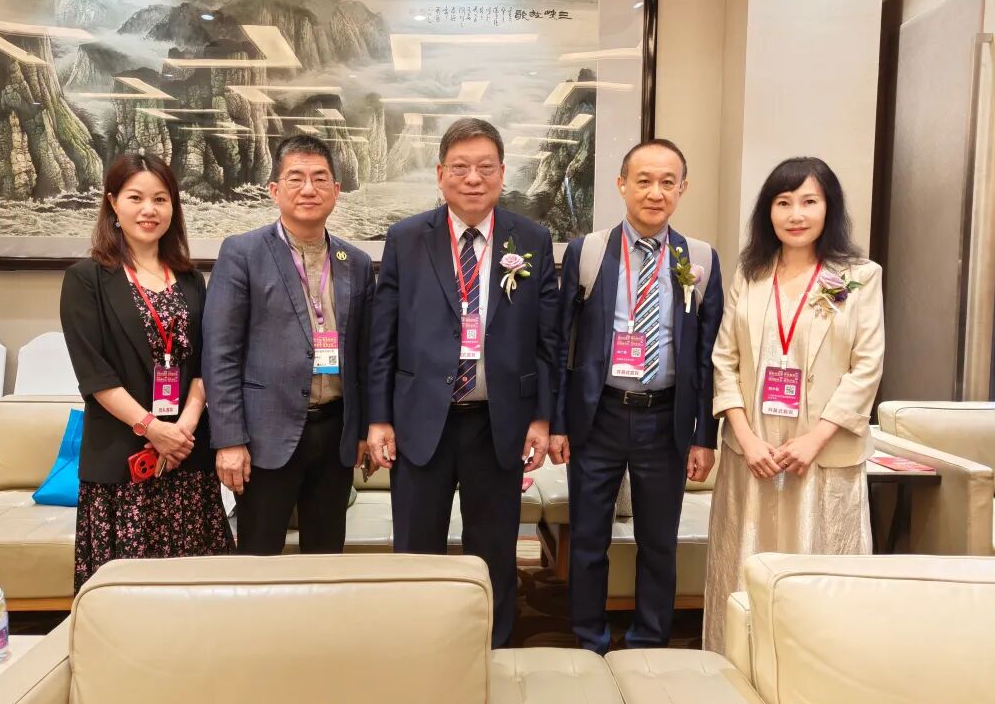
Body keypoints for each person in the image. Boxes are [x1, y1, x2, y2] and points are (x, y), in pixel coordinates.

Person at [367, 117, 559, 648]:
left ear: (502, 173)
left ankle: (492, 652)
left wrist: (542, 417)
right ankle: (418, 651)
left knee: (494, 553)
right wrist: (379, 419)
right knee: (416, 551)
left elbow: (548, 340)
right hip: (420, 421)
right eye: (460, 167)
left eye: (485, 167)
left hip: (498, 424)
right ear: (440, 174)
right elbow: (383, 338)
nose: (473, 178)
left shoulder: (531, 239)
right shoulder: (407, 238)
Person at [703, 157, 883, 652]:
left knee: (817, 571)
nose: (795, 214)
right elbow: (724, 360)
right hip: (754, 453)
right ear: (768, 211)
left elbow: (866, 368)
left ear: (829, 208)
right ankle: (737, 665)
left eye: (809, 201)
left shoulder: (859, 277)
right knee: (744, 565)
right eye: (783, 202)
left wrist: (815, 439)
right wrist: (744, 438)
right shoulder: (751, 273)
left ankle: (819, 671)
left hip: (821, 455)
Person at [549, 139, 723, 652]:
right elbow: (560, 345)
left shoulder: (700, 259)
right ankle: (589, 637)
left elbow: (709, 356)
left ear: (683, 189)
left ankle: (649, 640)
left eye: (667, 182)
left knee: (658, 541)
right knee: (588, 537)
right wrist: (558, 423)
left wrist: (704, 435)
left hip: (665, 420)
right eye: (643, 180)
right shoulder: (588, 251)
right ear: (622, 184)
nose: (655, 192)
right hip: (598, 415)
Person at [60, 152, 234, 591]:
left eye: (160, 199)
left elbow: (207, 361)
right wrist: (153, 429)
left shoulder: (192, 280)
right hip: (124, 460)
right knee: (128, 598)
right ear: (112, 203)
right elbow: (94, 374)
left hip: (187, 457)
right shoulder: (86, 279)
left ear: (173, 207)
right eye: (135, 197)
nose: (148, 210)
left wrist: (183, 430)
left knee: (196, 593)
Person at [203, 135, 373, 556]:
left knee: (326, 555)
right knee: (259, 557)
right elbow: (220, 354)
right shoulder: (243, 252)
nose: (308, 189)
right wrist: (229, 440)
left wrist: (364, 429)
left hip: (335, 433)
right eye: (296, 178)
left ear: (336, 190)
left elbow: (366, 355)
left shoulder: (355, 262)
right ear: (274, 190)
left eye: (320, 178)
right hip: (266, 435)